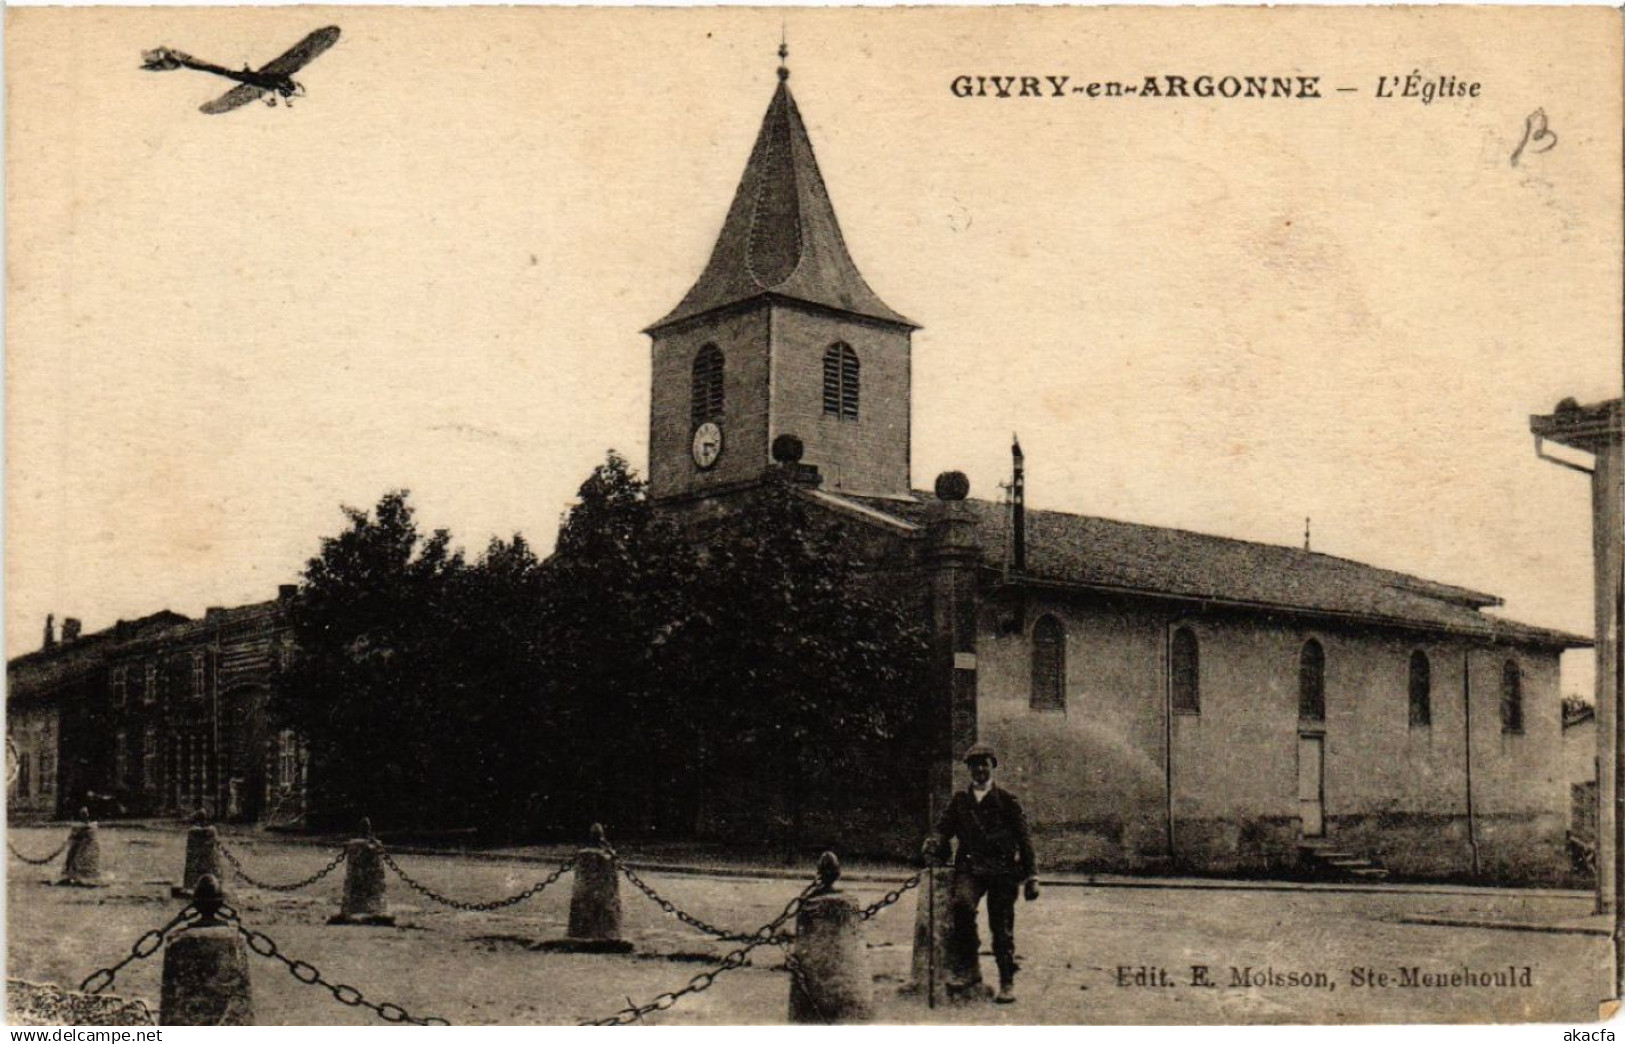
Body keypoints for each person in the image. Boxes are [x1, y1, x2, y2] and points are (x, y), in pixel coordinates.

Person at [922, 743, 1039, 1004]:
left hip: (1002, 872)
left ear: (992, 767)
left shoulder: (1007, 801)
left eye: (984, 764)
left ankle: (1006, 981)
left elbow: (1025, 840)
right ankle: (968, 969)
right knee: (962, 906)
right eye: (975, 765)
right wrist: (935, 841)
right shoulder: (960, 801)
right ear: (970, 770)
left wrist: (1032, 876)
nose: (980, 770)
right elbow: (944, 829)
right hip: (971, 869)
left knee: (1001, 927)